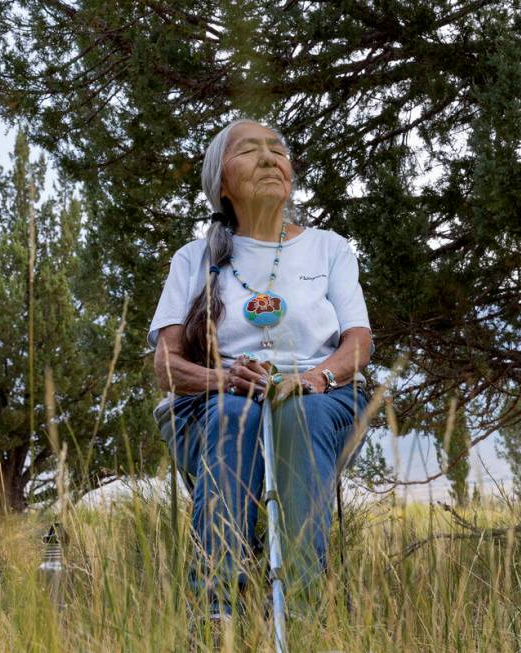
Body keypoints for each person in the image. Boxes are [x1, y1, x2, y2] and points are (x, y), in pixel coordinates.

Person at [147, 118, 374, 621]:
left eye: (278, 149)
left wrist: (315, 379)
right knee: (235, 416)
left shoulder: (328, 249)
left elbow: (359, 343)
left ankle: (300, 612)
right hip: (214, 403)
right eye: (250, 151)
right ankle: (216, 613)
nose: (271, 158)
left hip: (321, 395)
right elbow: (166, 364)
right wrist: (223, 380)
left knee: (300, 416)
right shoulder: (193, 260)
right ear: (222, 184)